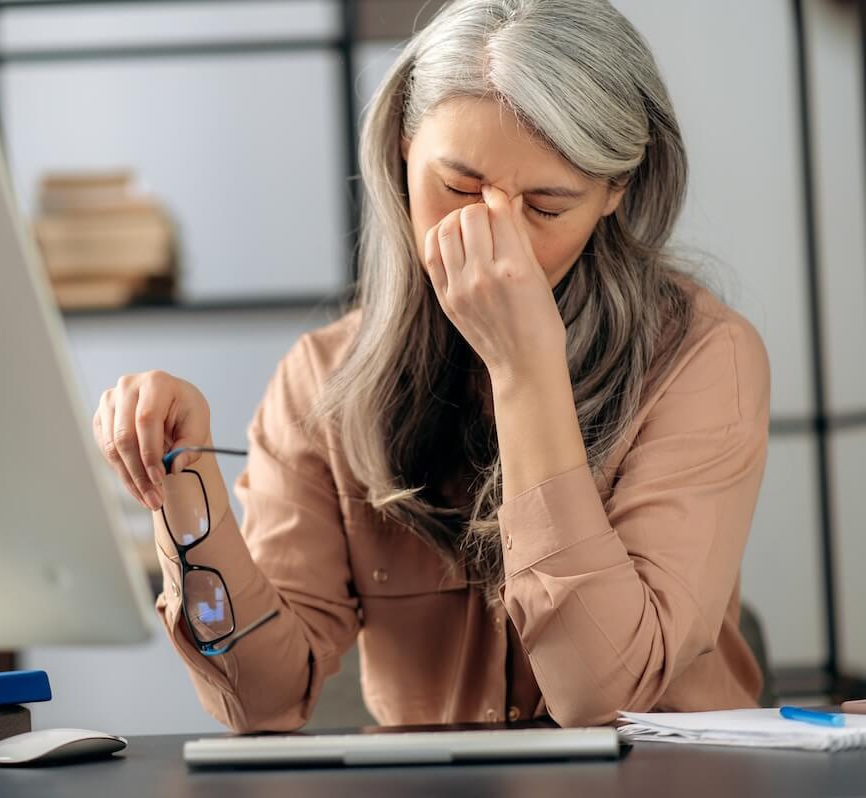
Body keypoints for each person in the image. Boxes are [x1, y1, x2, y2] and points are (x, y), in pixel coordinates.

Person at [92, 0, 769, 732]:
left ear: (615, 193)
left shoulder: (704, 358)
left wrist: (524, 372)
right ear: (404, 151)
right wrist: (180, 479)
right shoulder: (323, 381)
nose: (489, 235)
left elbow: (605, 699)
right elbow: (262, 702)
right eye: (458, 188)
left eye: (544, 207)